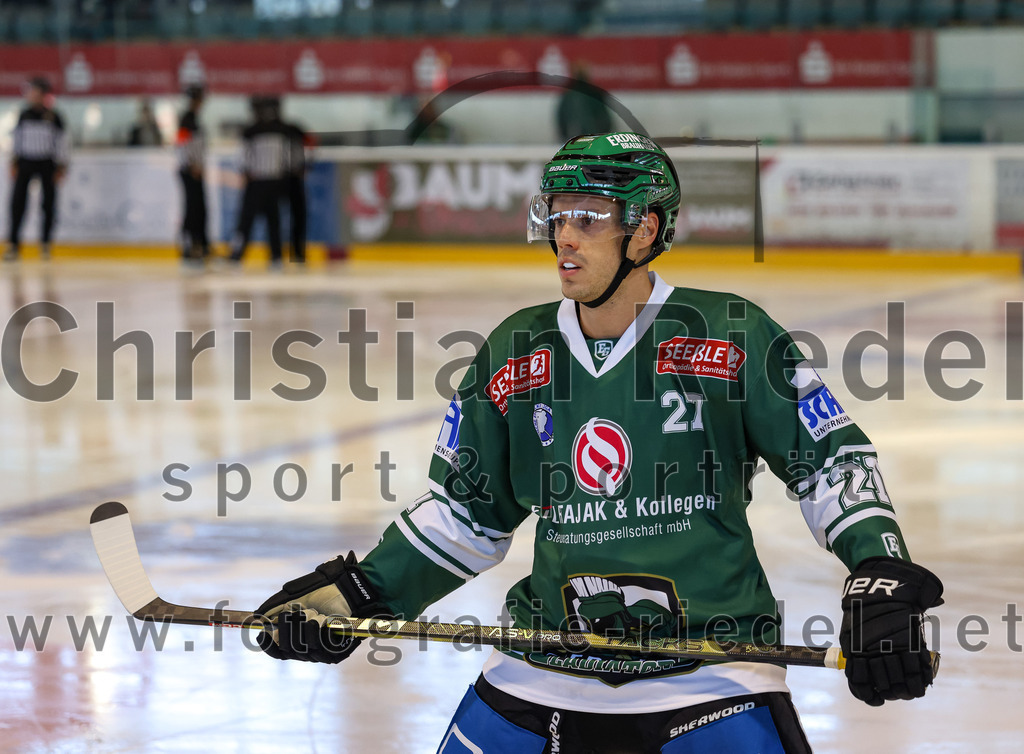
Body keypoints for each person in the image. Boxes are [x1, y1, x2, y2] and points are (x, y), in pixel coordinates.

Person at [255, 133, 943, 753]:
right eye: (557, 218)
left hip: (710, 668)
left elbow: (831, 465)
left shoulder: (731, 334)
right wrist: (363, 592)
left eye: (587, 219)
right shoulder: (516, 349)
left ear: (644, 231)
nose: (565, 238)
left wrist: (878, 572)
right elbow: (467, 513)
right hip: (541, 665)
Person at [5, 76, 70, 262]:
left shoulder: (54, 116)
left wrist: (62, 165)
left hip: (47, 163)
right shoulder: (24, 115)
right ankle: (14, 246)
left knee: (48, 204)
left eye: (34, 92)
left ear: (43, 95)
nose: (31, 96)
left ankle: (45, 245)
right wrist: (14, 162)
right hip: (25, 161)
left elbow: (62, 142)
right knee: (18, 203)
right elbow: (17, 139)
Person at [229, 95, 291, 267]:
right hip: (273, 181)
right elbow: (286, 159)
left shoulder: (251, 131)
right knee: (273, 221)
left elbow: (241, 158)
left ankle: (237, 256)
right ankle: (276, 257)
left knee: (247, 221)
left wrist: (245, 172)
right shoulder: (281, 130)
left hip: (256, 182)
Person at [176, 85, 209, 263]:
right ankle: (189, 246)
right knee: (192, 209)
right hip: (190, 170)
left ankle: (200, 245)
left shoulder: (194, 118)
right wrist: (191, 165)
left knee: (199, 208)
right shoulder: (186, 120)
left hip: (196, 170)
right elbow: (181, 145)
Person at [282, 114, 314, 264]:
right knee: (297, 216)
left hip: (287, 179)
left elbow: (312, 146)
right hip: (288, 179)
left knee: (297, 216)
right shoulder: (296, 140)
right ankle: (296, 253)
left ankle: (291, 253)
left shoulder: (292, 139)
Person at [556, 66, 613, 143]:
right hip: (595, 139)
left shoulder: (568, 95)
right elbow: (606, 120)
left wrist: (565, 137)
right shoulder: (596, 93)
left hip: (576, 140)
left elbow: (561, 119)